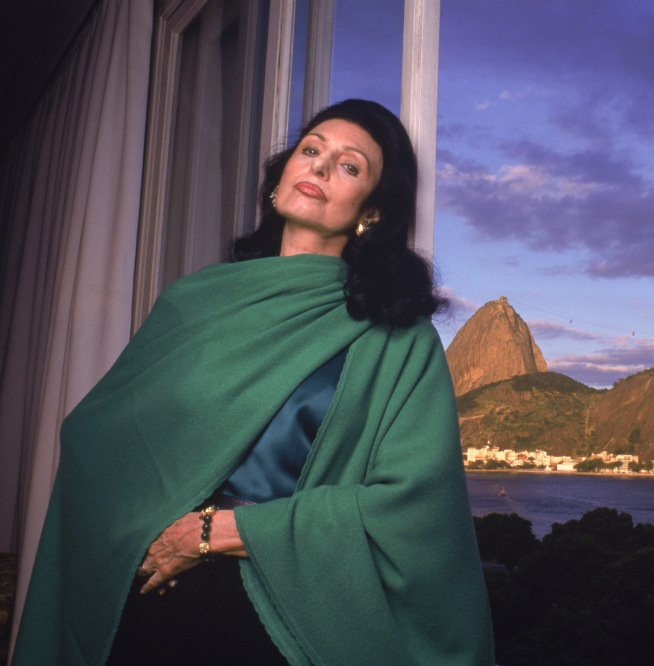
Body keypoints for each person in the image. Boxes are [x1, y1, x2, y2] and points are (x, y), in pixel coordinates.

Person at [12, 99, 495, 665]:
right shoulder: (196, 301)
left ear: (372, 210)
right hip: (146, 602)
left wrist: (222, 531)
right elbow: (101, 438)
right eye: (311, 149)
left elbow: (418, 511)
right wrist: (138, 527)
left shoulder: (397, 336)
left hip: (278, 623)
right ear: (281, 176)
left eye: (349, 166)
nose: (319, 166)